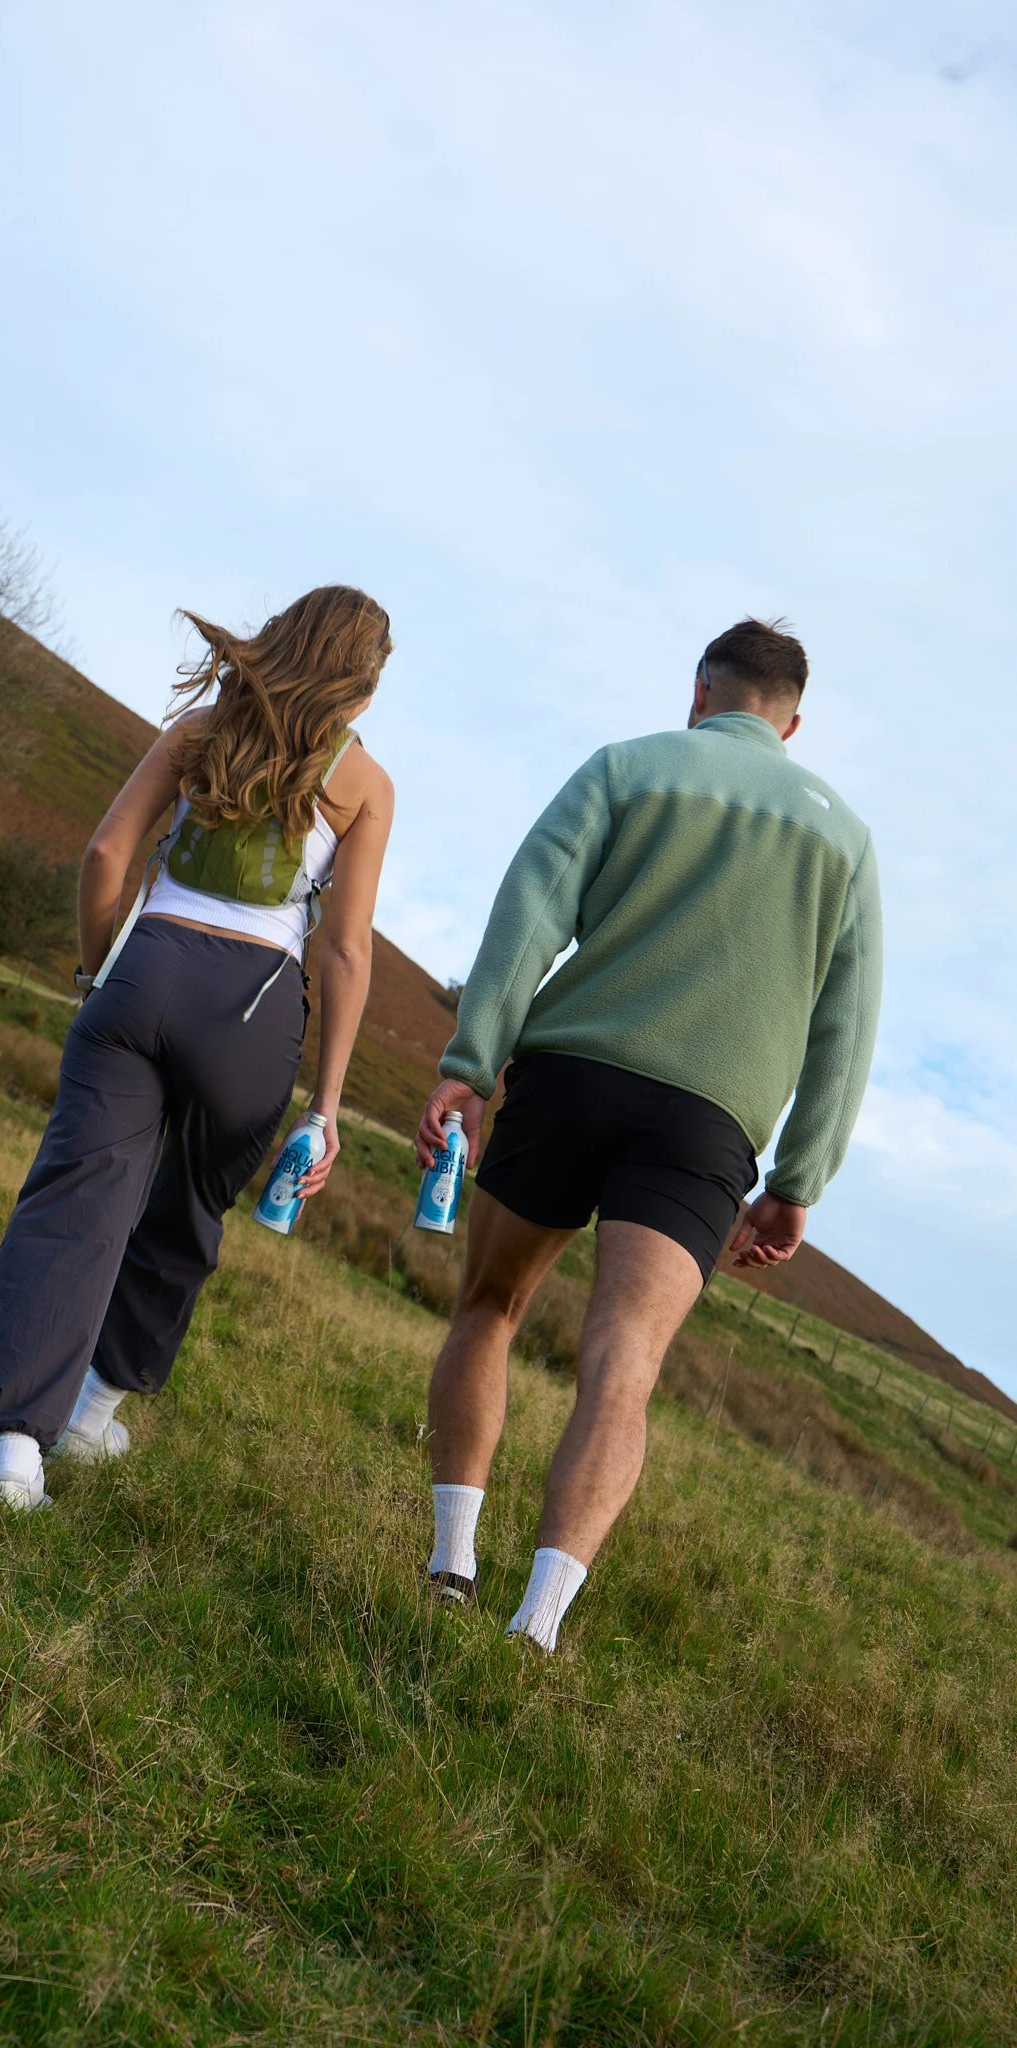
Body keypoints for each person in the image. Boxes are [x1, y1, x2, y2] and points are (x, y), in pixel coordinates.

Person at [414, 619, 881, 1646]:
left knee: (489, 1304)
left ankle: (450, 1562)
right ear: (791, 723)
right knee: (623, 1361)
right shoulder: (845, 841)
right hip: (705, 1124)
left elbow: (529, 912)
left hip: (569, 1075)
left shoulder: (626, 767)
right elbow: (843, 1031)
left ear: (700, 691)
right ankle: (535, 1624)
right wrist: (795, 1180)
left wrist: (470, 1063)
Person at [0, 585, 395, 1508]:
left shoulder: (198, 732)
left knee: (75, 1200)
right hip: (251, 1013)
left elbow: (104, 856)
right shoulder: (364, 785)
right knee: (189, 1211)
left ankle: (14, 1451)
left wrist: (95, 976)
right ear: (360, 686)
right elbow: (346, 950)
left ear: (280, 641)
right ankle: (91, 1415)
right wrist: (324, 1109)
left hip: (143, 974)